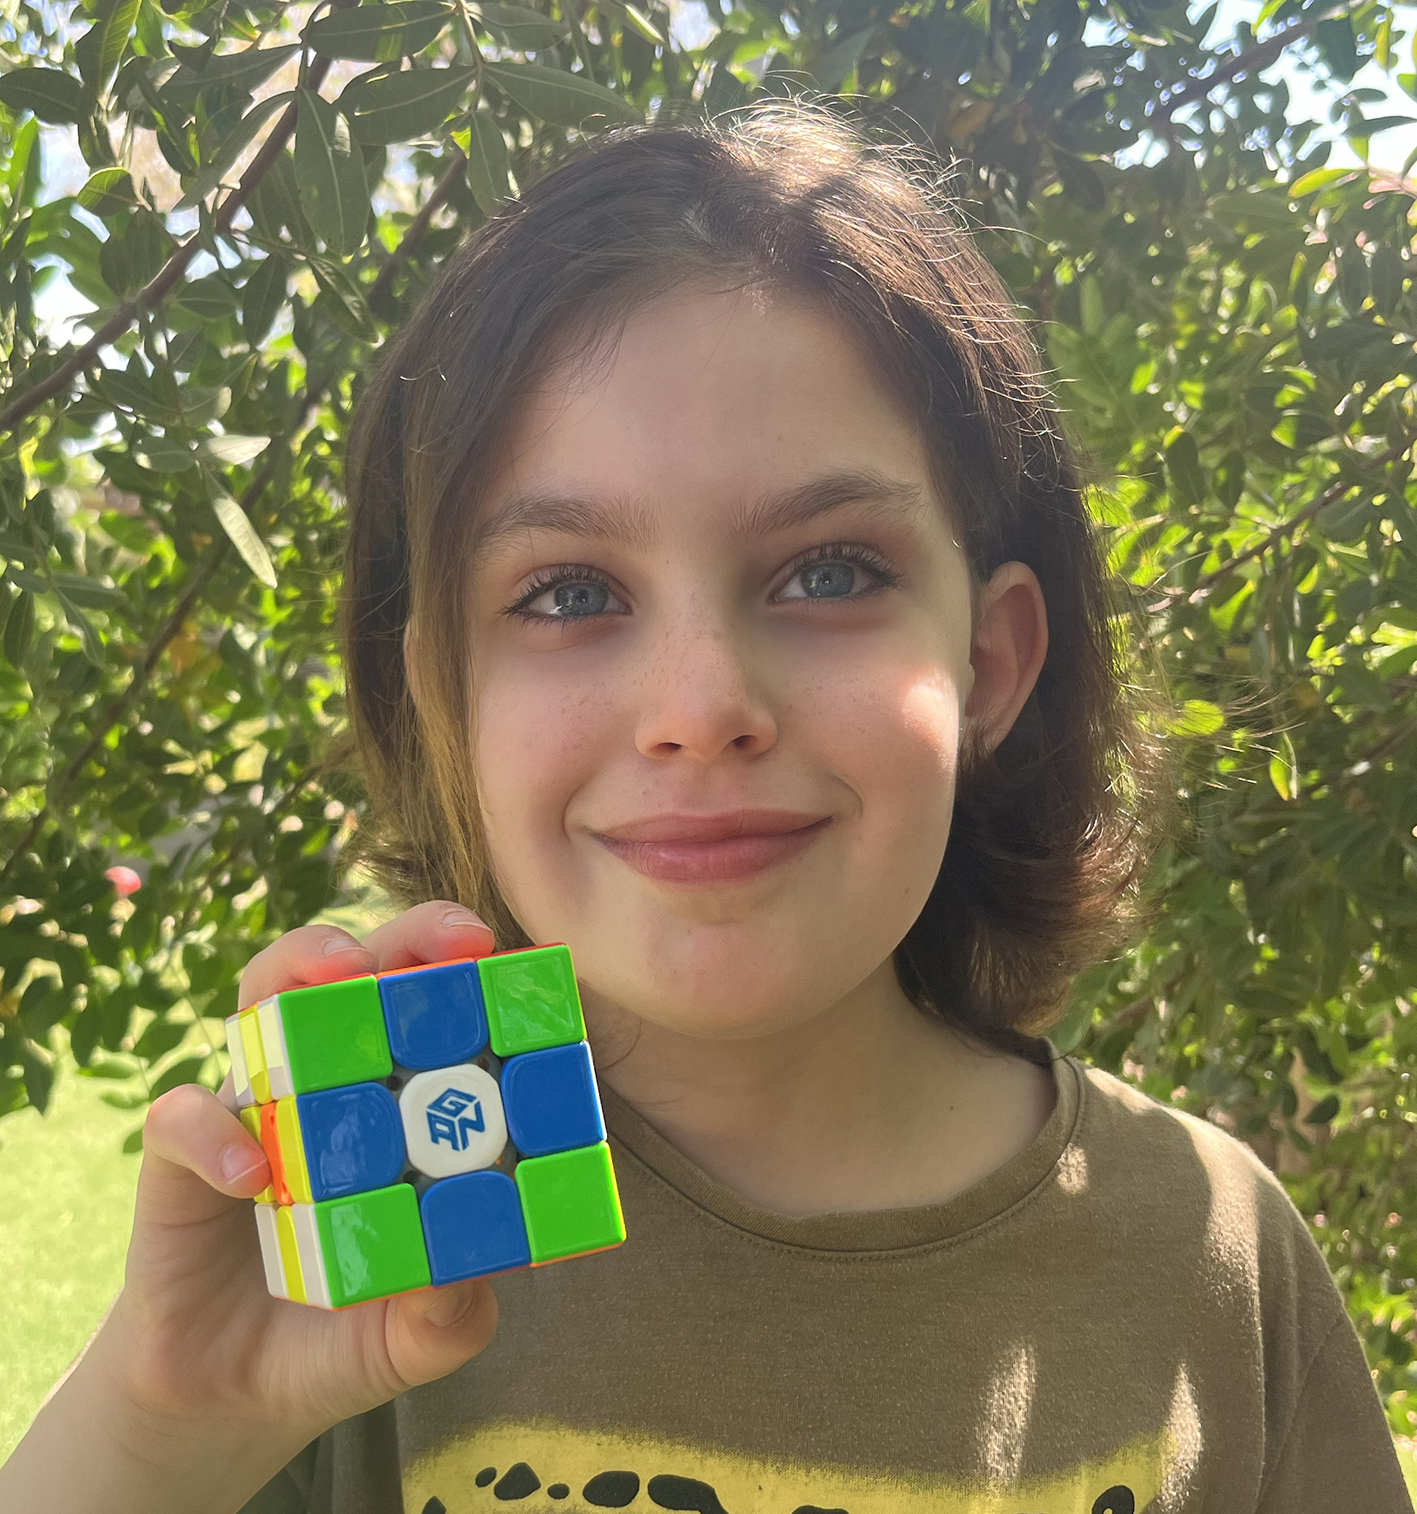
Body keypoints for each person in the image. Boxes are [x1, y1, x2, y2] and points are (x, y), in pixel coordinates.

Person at [3, 102, 1409, 1514]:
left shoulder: (1211, 1259)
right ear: (442, 691)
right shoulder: (352, 1251)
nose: (700, 702)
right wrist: (165, 1426)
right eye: (568, 592)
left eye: (828, 572)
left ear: (988, 664)